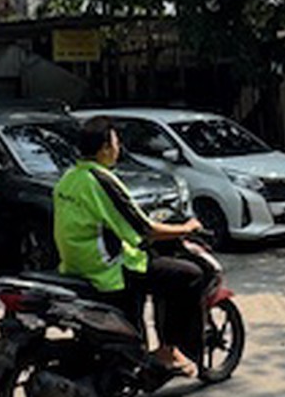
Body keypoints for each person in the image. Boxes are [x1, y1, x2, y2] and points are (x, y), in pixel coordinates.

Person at [53, 118, 205, 376]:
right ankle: (170, 349)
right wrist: (187, 228)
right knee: (190, 275)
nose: (118, 148)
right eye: (115, 142)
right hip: (109, 270)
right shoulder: (100, 180)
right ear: (103, 148)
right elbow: (145, 229)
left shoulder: (69, 178)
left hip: (74, 264)